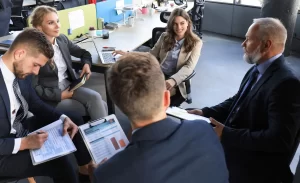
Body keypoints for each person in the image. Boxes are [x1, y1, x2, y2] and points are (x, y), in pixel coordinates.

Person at [188, 18, 300, 183]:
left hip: (256, 168)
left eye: (248, 39)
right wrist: (205, 112)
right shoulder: (258, 69)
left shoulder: (286, 83)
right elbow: (238, 100)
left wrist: (227, 134)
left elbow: (278, 140)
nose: (243, 44)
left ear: (266, 45)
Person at [89, 52, 229, 183]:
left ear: (121, 107)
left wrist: (95, 175)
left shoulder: (108, 174)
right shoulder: (204, 129)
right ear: (167, 99)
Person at [0, 28, 92, 183]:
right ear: (20, 54)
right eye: (35, 64)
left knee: (72, 120)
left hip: (17, 130)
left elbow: (36, 104)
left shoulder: (20, 70)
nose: (36, 72)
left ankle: (86, 171)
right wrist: (24, 143)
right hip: (3, 152)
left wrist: (63, 118)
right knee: (60, 164)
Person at [30, 5, 107, 121]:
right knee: (100, 106)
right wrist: (59, 95)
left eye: (58, 21)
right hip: (50, 96)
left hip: (69, 86)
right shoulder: (34, 50)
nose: (58, 26)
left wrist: (86, 64)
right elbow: (33, 87)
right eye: (51, 23)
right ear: (39, 27)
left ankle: (98, 136)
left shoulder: (61, 39)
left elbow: (84, 53)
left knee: (96, 98)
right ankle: (99, 136)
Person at [113, 8, 202, 106]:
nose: (179, 27)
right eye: (175, 24)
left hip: (176, 80)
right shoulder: (165, 36)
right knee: (134, 86)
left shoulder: (196, 42)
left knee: (155, 98)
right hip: (158, 73)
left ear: (188, 23)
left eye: (182, 23)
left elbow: (189, 67)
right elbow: (151, 55)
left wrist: (173, 80)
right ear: (171, 24)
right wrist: (128, 54)